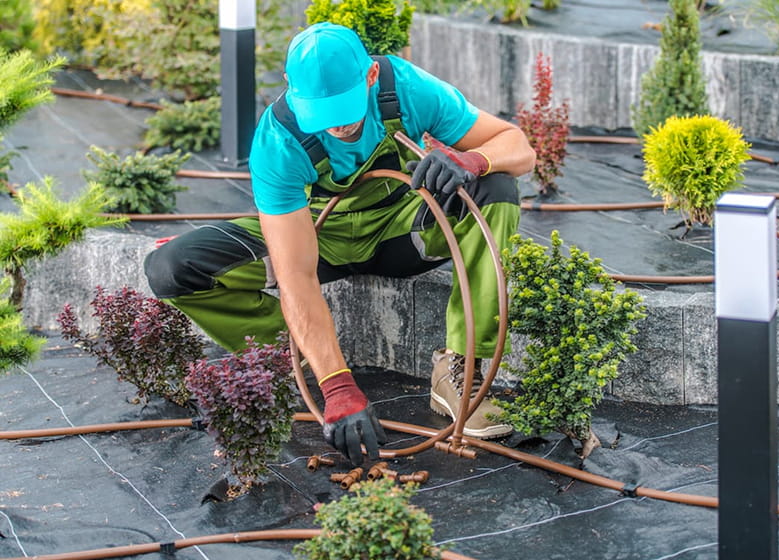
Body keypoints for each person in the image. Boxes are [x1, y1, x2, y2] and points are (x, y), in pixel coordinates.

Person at [143, 22, 536, 466]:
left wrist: (473, 159)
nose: (336, 126)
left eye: (345, 111)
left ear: (370, 76)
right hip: (316, 239)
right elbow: (294, 274)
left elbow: (518, 146)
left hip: (400, 232)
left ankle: (460, 372)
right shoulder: (278, 141)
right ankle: (297, 358)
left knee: (496, 191)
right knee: (173, 268)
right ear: (292, 90)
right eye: (322, 116)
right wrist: (336, 384)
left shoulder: (404, 89)